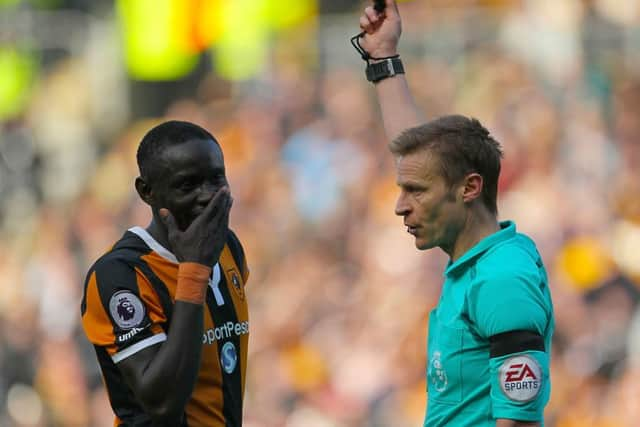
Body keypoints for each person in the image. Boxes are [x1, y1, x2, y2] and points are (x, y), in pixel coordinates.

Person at [354, 1, 554, 426]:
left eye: (415, 192)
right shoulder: (478, 262)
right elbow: (415, 156)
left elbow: (517, 423)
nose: (399, 205)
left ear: (469, 188)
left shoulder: (502, 280)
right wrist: (384, 58)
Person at [80, 120, 250, 427]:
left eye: (217, 179)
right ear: (146, 192)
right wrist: (194, 270)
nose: (207, 195)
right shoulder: (120, 275)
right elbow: (162, 403)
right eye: (188, 185)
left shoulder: (227, 248)